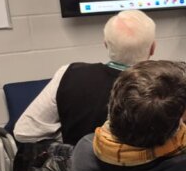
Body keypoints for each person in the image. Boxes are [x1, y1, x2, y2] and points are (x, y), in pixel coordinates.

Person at [15, 9, 157, 146]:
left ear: (105, 44)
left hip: (78, 168)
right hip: (149, 170)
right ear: (152, 48)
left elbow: (24, 132)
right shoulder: (167, 86)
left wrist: (68, 139)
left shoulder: (69, 74)